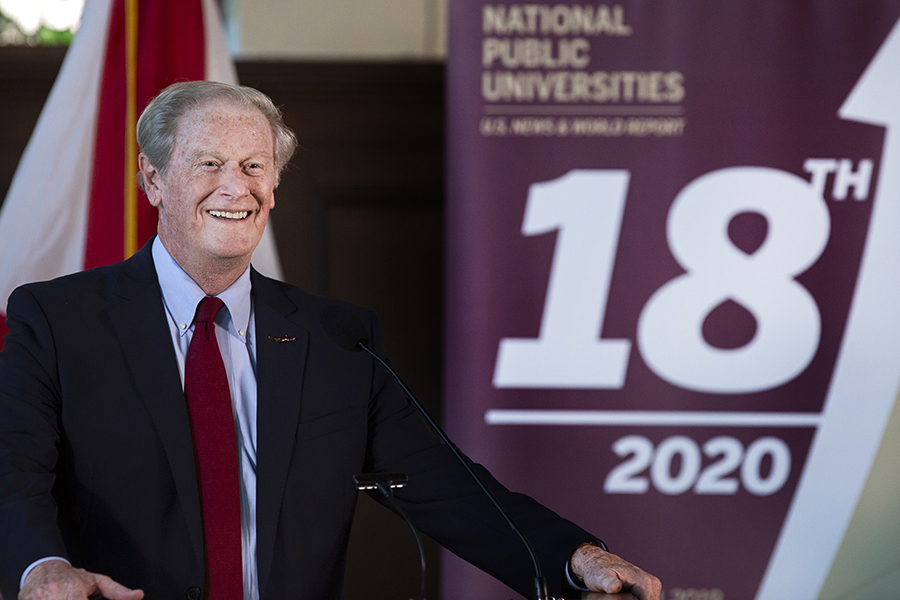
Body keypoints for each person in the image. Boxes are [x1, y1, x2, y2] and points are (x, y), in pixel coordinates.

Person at [0, 81, 661, 600]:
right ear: (152, 179)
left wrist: (574, 558)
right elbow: (14, 470)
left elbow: (448, 486)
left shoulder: (336, 338)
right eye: (208, 163)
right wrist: (44, 566)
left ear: (275, 184)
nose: (236, 187)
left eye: (254, 164)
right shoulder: (57, 321)